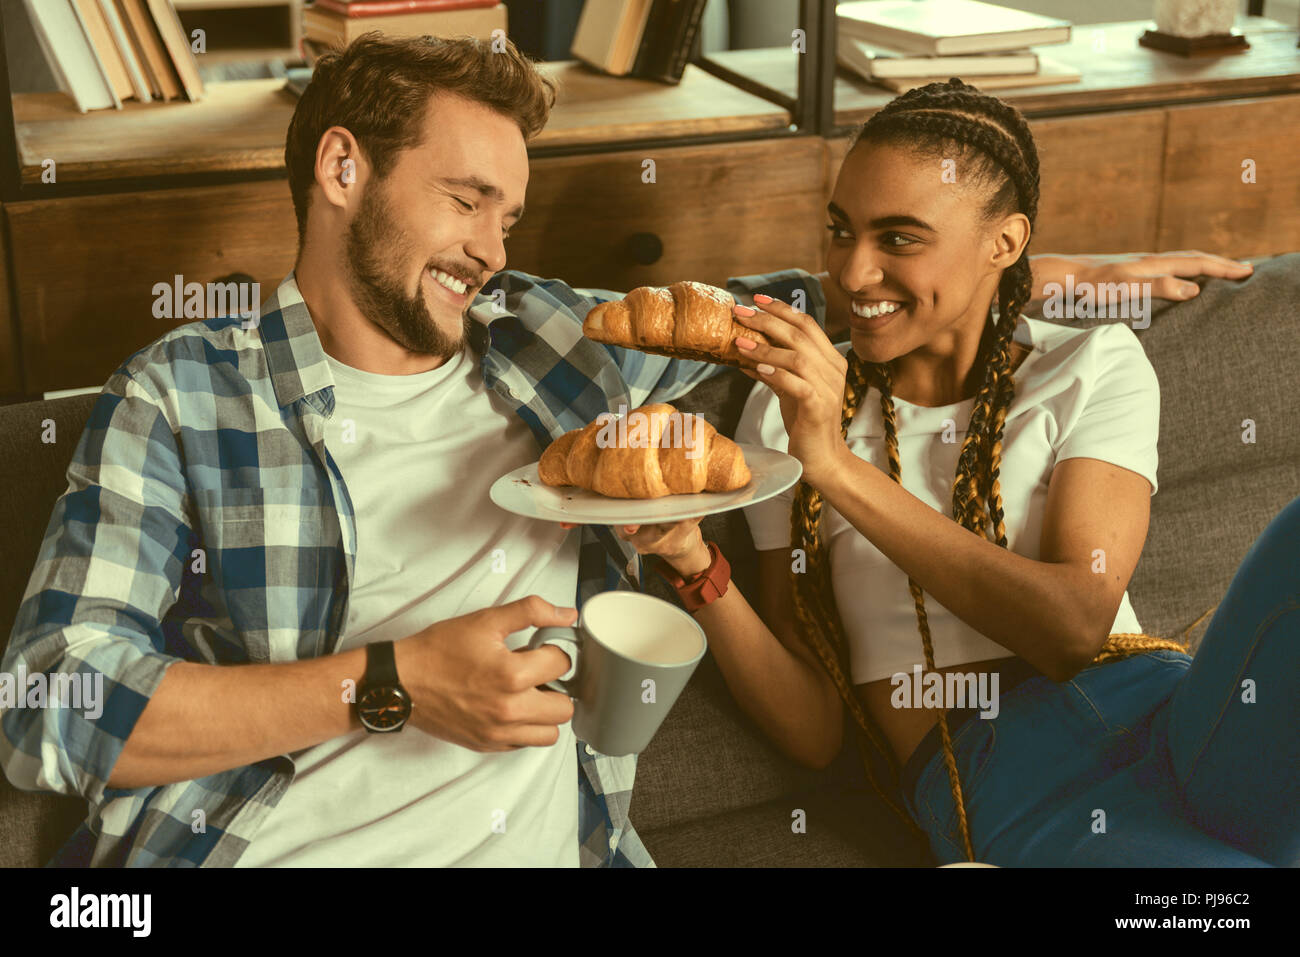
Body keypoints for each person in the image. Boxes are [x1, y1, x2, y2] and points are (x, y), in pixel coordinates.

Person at [0, 31, 1256, 867]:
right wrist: (386, 682)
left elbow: (812, 303)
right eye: (464, 200)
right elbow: (43, 706)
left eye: (511, 213)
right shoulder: (182, 395)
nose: (493, 247)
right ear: (340, 167)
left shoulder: (548, 341)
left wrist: (1061, 277)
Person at [618, 78, 1295, 867]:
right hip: (1007, 782)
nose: (853, 272)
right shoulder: (787, 408)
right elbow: (813, 734)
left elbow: (1075, 627)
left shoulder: (1091, 362)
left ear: (1004, 244)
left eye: (899, 238)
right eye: (841, 231)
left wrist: (837, 468)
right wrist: (696, 567)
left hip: (1173, 711)